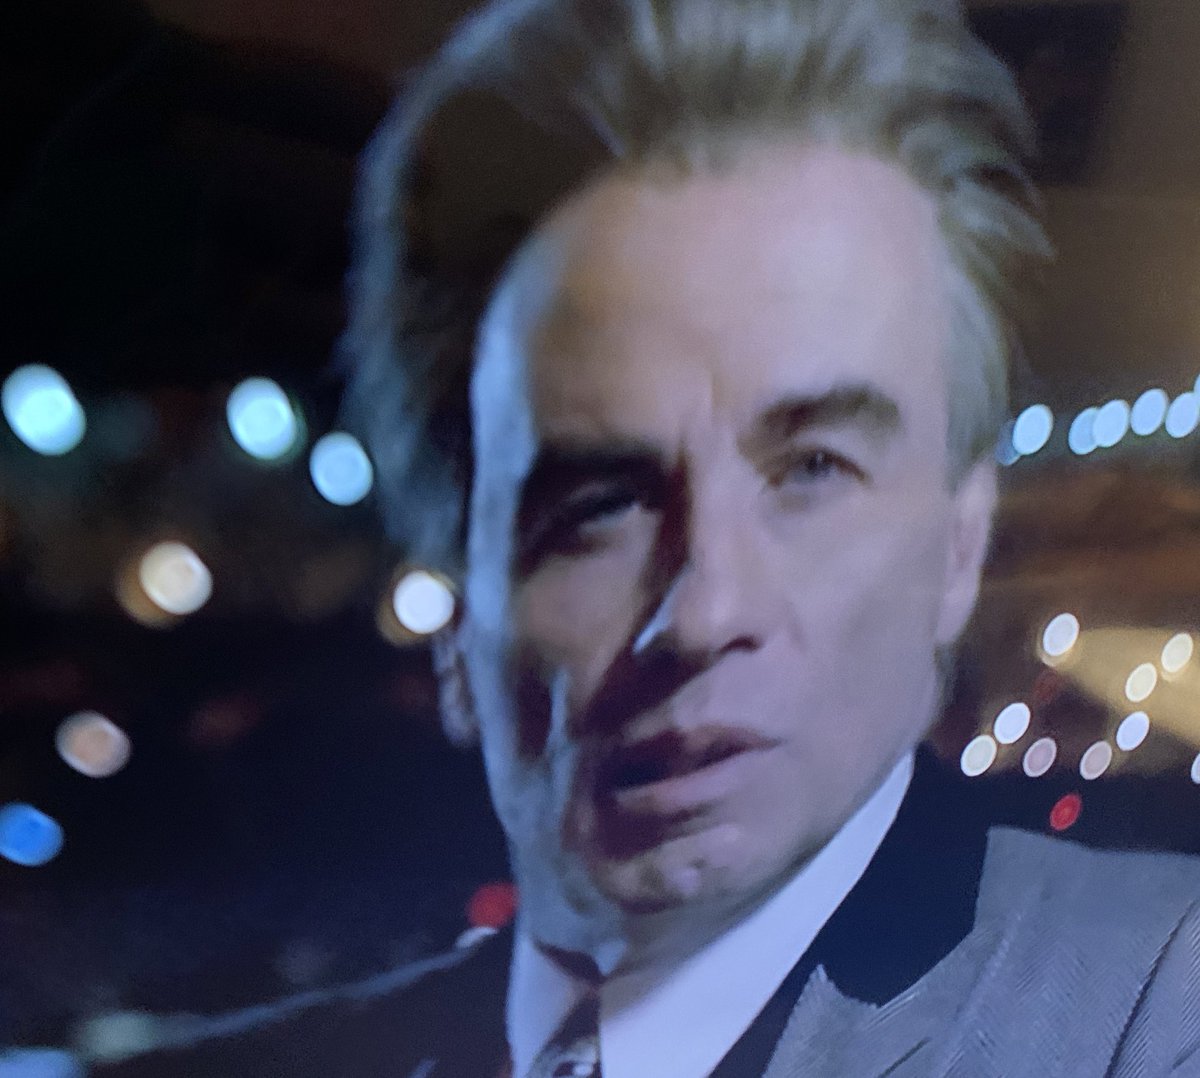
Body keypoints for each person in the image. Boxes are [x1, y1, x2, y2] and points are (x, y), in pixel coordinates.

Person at [92, 0, 1200, 1075]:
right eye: (597, 507)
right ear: (456, 613)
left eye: (813, 471)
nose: (704, 611)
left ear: (960, 545)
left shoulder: (1158, 1003)